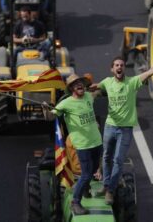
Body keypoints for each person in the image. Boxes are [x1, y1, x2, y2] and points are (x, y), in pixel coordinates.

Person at [90, 54, 153, 205]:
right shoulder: (107, 82)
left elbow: (149, 73)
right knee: (106, 157)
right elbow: (94, 88)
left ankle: (110, 190)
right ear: (112, 69)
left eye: (122, 65)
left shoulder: (132, 82)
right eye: (116, 65)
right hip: (110, 126)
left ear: (124, 68)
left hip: (125, 130)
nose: (119, 67)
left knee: (118, 160)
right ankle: (105, 185)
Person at [42, 74, 103, 215]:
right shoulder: (66, 103)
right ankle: (75, 202)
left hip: (97, 142)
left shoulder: (89, 96)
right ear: (71, 89)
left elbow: (100, 90)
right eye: (75, 84)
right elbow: (50, 117)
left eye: (80, 82)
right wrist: (46, 109)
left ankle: (86, 188)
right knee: (86, 174)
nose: (79, 85)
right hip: (83, 145)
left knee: (94, 170)